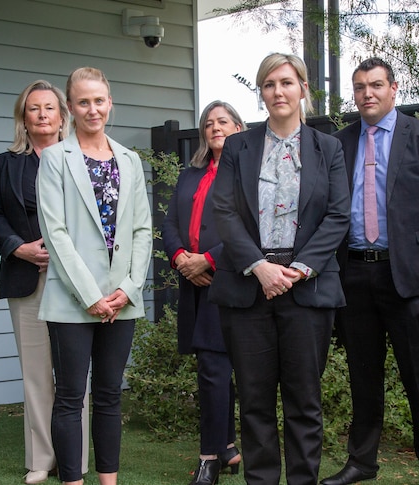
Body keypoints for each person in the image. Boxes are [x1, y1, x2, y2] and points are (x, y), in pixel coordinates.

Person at [209, 53, 350, 485]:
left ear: (303, 89)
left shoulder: (328, 148)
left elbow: (338, 216)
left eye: (287, 82)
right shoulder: (239, 146)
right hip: (249, 288)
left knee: (303, 401)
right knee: (253, 401)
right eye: (269, 84)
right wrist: (259, 267)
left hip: (307, 290)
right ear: (261, 92)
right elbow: (224, 211)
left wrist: (301, 268)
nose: (278, 92)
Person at [325, 57, 419, 485]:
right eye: (361, 86)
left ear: (394, 88)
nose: (368, 93)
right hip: (354, 276)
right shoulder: (339, 142)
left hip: (406, 280)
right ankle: (362, 463)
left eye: (377, 85)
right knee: (363, 378)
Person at [35, 67, 152, 485]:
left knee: (108, 397)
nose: (92, 109)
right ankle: (72, 481)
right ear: (70, 106)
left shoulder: (130, 160)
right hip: (71, 301)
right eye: (83, 101)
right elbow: (56, 232)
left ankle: (109, 481)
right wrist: (90, 295)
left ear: (109, 103)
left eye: (99, 100)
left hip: (121, 301)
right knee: (69, 398)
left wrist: (128, 288)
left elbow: (141, 229)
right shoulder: (54, 158)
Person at [0, 80, 89, 484]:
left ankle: (74, 460)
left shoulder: (81, 158)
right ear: (23, 118)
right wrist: (18, 248)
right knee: (36, 372)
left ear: (63, 115)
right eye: (33, 109)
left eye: (49, 108)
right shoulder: (5, 163)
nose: (42, 115)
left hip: (75, 280)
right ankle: (42, 459)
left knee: (74, 374)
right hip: (27, 277)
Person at [162, 101, 245, 484]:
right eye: (209, 123)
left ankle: (209, 457)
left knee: (214, 369)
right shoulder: (190, 175)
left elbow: (250, 228)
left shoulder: (248, 174)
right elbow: (170, 223)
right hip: (193, 283)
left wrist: (207, 260)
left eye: (223, 121)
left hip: (226, 281)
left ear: (239, 127)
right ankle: (227, 448)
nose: (215, 128)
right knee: (213, 369)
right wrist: (182, 259)